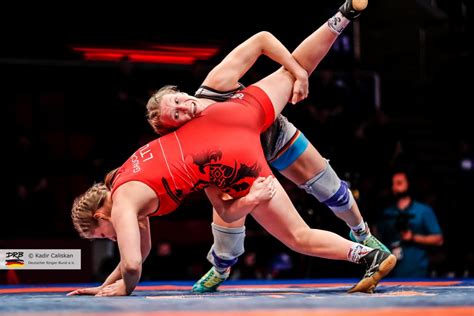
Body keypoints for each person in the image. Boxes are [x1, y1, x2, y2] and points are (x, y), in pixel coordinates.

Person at [68, 0, 396, 297]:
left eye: (104, 235)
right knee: (249, 219)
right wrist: (297, 72)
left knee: (298, 226)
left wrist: (122, 287)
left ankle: (365, 248)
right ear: (173, 128)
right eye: (178, 115)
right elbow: (138, 248)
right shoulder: (130, 173)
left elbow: (133, 264)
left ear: (100, 214)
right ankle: (223, 266)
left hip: (238, 148)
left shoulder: (130, 196)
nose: (186, 109)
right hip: (241, 118)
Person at [377, 170, 443, 278]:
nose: (395, 187)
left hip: (417, 272)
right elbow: (379, 238)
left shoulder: (423, 210)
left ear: (409, 184)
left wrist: (413, 237)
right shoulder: (387, 213)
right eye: (393, 184)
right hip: (391, 273)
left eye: (399, 183)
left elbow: (438, 239)